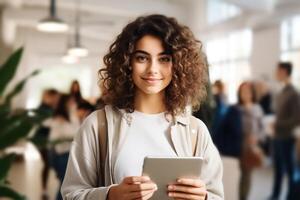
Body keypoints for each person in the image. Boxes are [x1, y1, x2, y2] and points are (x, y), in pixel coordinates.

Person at [61, 14, 224, 200]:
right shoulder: (98, 126)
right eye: (142, 58)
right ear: (127, 63)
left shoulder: (196, 131)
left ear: (177, 65)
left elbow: (216, 196)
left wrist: (203, 198)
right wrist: (110, 195)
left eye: (164, 59)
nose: (152, 69)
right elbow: (71, 194)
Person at [269, 62, 300, 200]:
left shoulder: (293, 93)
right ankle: (275, 195)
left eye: (278, 71)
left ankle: (291, 197)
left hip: (286, 137)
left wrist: (277, 124)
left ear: (284, 71)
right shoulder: (281, 92)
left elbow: (296, 118)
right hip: (277, 136)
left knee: (289, 170)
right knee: (278, 169)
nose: (276, 74)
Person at [48, 94, 80, 200]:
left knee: (66, 185)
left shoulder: (72, 116)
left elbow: (78, 131)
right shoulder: (59, 118)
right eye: (70, 102)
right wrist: (71, 136)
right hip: (62, 155)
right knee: (64, 185)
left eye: (73, 102)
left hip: (70, 154)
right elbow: (53, 138)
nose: (73, 104)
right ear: (64, 103)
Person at [237, 81, 264, 200]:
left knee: (246, 175)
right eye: (243, 91)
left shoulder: (257, 109)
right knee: (235, 175)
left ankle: (243, 197)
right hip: (236, 147)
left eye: (248, 91)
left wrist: (257, 138)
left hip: (250, 148)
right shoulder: (235, 109)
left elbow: (262, 129)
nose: (246, 94)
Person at [31, 89, 59, 199]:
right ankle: (44, 189)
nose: (55, 99)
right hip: (41, 140)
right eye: (53, 97)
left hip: (49, 141)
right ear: (46, 96)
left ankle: (47, 187)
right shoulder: (41, 108)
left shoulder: (54, 108)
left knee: (49, 163)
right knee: (47, 163)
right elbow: (44, 123)